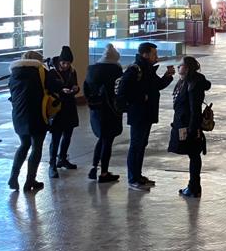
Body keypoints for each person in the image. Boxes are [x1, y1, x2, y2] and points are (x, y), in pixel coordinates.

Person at [120, 42, 175, 190]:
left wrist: (167, 76)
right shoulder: (135, 69)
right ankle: (133, 178)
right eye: (154, 54)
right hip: (138, 114)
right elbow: (123, 91)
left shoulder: (148, 69)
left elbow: (157, 86)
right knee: (136, 145)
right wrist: (140, 97)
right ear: (145, 54)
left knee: (141, 145)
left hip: (147, 113)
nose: (156, 57)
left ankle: (138, 176)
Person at [168, 56, 212, 198]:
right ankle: (193, 186)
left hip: (190, 125)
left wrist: (192, 130)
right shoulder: (184, 81)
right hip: (184, 123)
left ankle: (194, 187)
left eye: (180, 65)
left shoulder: (193, 84)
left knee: (194, 155)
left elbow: (194, 109)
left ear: (187, 68)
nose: (178, 67)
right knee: (193, 154)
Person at [7, 51, 48, 192]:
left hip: (18, 115)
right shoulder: (40, 73)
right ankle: (30, 180)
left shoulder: (14, 74)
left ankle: (13, 177)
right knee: (36, 147)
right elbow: (54, 87)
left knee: (24, 145)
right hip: (37, 114)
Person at [83, 43, 124, 182]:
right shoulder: (115, 70)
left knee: (102, 138)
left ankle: (94, 168)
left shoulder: (91, 69)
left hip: (96, 110)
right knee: (107, 141)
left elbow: (86, 89)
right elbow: (119, 90)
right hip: (110, 111)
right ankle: (104, 173)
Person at [47, 47, 80, 178]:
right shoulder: (52, 73)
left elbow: (75, 84)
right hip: (57, 108)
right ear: (60, 61)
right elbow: (49, 88)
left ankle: (62, 158)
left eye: (68, 63)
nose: (66, 65)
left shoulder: (72, 71)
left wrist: (75, 89)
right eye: (64, 63)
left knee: (68, 135)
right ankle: (52, 164)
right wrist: (61, 90)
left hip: (70, 106)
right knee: (56, 138)